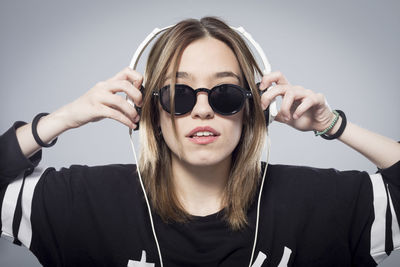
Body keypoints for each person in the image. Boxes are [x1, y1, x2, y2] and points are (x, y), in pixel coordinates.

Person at [0, 16, 399, 267]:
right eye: (179, 95)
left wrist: (333, 124)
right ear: (149, 110)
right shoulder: (84, 201)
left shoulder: (319, 202)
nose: (202, 111)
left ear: (254, 107)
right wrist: (64, 117)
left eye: (224, 93)